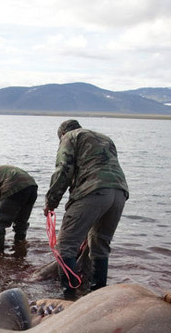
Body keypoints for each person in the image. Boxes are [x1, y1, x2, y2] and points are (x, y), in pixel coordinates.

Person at [45, 119, 128, 298]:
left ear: (61, 134)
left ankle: (69, 296)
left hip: (92, 191)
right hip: (120, 192)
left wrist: (51, 202)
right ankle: (97, 294)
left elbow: (63, 170)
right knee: (100, 245)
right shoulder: (105, 139)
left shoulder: (70, 137)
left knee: (65, 246)